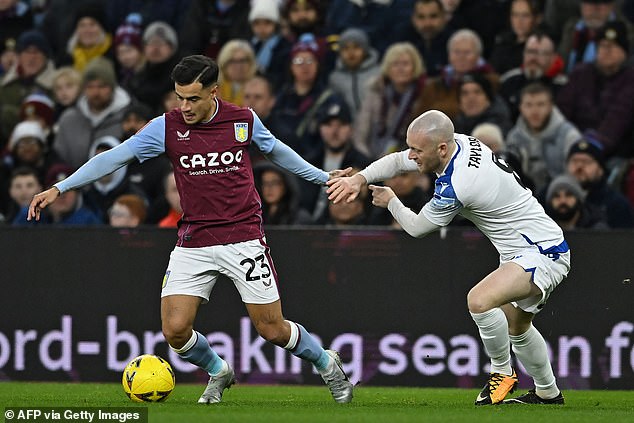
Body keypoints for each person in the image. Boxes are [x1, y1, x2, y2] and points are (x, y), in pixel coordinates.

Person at [28, 54, 353, 405]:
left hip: (243, 236)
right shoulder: (165, 127)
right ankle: (218, 370)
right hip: (193, 239)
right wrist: (61, 187)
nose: (184, 106)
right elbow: (114, 157)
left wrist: (323, 178)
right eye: (179, 97)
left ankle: (326, 362)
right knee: (175, 331)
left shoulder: (242, 120)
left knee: (271, 328)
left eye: (193, 98)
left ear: (215, 91)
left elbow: (277, 152)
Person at [327, 109, 570, 405]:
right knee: (518, 327)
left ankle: (502, 374)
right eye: (411, 147)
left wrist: (391, 202)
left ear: (440, 148)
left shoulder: (459, 184)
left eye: (418, 150)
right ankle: (548, 393)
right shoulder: (459, 142)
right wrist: (360, 179)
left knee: (479, 300)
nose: (412, 156)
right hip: (529, 247)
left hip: (541, 251)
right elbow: (398, 160)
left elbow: (417, 229)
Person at [544, 174, 608, 230]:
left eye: (568, 195)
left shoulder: (597, 230)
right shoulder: (542, 229)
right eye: (556, 196)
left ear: (579, 199)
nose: (563, 201)